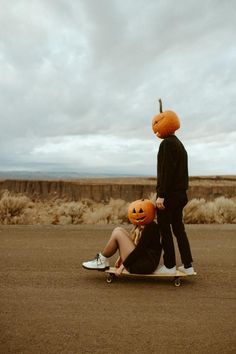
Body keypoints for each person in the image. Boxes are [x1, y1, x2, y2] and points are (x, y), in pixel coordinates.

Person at [152, 99, 195, 275]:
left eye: (157, 123)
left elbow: (166, 172)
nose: (154, 127)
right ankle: (187, 264)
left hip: (169, 196)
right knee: (178, 229)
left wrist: (161, 195)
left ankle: (169, 265)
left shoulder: (167, 144)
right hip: (180, 194)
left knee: (165, 228)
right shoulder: (178, 144)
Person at [82, 200, 162, 276]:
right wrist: (120, 259)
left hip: (144, 265)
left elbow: (139, 250)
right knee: (118, 229)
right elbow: (134, 246)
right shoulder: (144, 226)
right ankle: (102, 260)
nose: (137, 214)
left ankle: (101, 260)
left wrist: (122, 266)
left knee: (118, 233)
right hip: (142, 260)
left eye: (141, 211)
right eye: (134, 211)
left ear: (151, 212)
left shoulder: (151, 227)